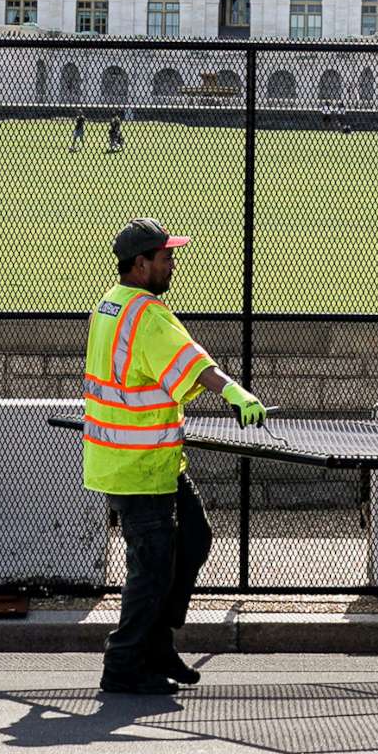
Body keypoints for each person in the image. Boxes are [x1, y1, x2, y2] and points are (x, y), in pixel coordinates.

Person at [83, 218, 268, 697]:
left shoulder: (110, 303)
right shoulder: (146, 315)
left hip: (145, 460)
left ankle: (157, 643)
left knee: (193, 540)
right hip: (137, 464)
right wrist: (236, 393)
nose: (172, 263)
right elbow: (191, 362)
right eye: (165, 257)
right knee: (153, 566)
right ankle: (124, 662)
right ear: (140, 265)